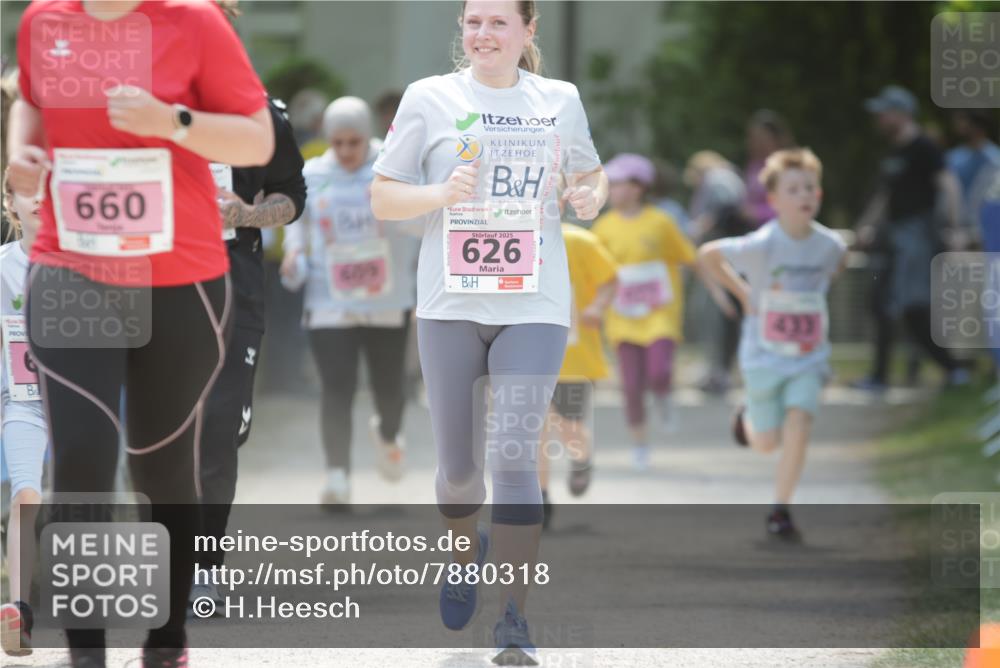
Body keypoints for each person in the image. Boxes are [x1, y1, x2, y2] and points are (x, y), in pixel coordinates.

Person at [8, 1, 274, 666]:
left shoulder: (195, 22)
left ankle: (165, 641)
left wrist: (173, 122)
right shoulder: (46, 19)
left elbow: (256, 139)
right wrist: (21, 152)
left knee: (162, 467)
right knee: (81, 459)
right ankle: (87, 652)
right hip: (72, 269)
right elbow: (30, 102)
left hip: (179, 280)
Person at [370, 0, 607, 662]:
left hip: (534, 302)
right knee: (457, 472)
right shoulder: (430, 98)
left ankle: (513, 618)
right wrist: (440, 194)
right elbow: (384, 196)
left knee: (512, 454)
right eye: (473, 22)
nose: (483, 34)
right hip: (449, 303)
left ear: (529, 31)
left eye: (499, 22)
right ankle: (459, 555)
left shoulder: (558, 100)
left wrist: (592, 194)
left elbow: (590, 173)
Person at [193, 33, 307, 612]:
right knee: (158, 433)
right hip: (151, 285)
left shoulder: (260, 114)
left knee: (217, 431)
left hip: (235, 287)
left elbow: (292, 194)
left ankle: (203, 566)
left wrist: (248, 213)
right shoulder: (138, 106)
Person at [698, 148, 847, 538]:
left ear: (820, 195)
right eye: (793, 189)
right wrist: (744, 294)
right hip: (763, 356)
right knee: (766, 443)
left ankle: (780, 509)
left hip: (808, 356)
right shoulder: (761, 244)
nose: (804, 195)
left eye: (810, 188)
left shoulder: (831, 246)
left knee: (800, 421)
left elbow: (836, 269)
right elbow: (708, 254)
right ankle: (746, 420)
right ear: (774, 200)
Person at [281, 96, 417, 506]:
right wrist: (293, 253)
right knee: (336, 388)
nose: (345, 152)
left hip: (387, 298)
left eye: (353, 143)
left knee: (389, 388)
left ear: (367, 137)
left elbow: (417, 221)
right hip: (329, 298)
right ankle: (337, 476)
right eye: (336, 143)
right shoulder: (314, 172)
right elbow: (297, 222)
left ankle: (389, 433)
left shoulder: (392, 167)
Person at [853, 85, 968, 392]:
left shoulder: (924, 148)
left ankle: (954, 369)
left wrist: (955, 228)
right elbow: (884, 196)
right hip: (893, 237)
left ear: (901, 114)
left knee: (912, 307)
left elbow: (949, 185)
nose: (878, 119)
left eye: (883, 112)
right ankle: (879, 377)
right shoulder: (894, 152)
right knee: (879, 303)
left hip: (917, 238)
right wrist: (866, 226)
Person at [592, 153, 697, 470]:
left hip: (659, 314)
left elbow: (687, 257)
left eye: (618, 184)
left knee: (659, 372)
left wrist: (718, 291)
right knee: (631, 385)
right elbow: (595, 273)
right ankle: (640, 444)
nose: (611, 190)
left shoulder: (661, 222)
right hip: (622, 317)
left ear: (638, 187)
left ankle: (664, 394)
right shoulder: (603, 228)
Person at [537, 193, 617, 528]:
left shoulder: (580, 241)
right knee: (535, 430)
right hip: (526, 356)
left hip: (574, 358)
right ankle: (540, 499)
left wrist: (597, 306)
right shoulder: (508, 240)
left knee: (568, 429)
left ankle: (581, 458)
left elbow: (610, 279)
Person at [0, 178, 46, 657]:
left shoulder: (85, 262)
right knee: (25, 496)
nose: (40, 197)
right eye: (28, 190)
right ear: (10, 202)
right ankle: (19, 612)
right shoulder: (2, 268)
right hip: (25, 401)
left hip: (83, 403)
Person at [685, 150, 753, 395]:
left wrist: (703, 224)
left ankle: (718, 373)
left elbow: (725, 206)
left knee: (713, 313)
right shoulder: (731, 177)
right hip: (730, 258)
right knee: (722, 313)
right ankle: (720, 371)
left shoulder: (717, 178)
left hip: (719, 258)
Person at [947, 109, 1000, 248]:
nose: (958, 126)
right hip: (958, 229)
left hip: (987, 230)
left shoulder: (994, 159)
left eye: (962, 122)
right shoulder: (953, 157)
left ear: (976, 126)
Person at [743, 109, 793, 229]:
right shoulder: (754, 164)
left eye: (762, 139)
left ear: (776, 139)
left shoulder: (787, 165)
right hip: (754, 230)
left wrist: (757, 213)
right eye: (754, 139)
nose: (757, 144)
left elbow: (792, 204)